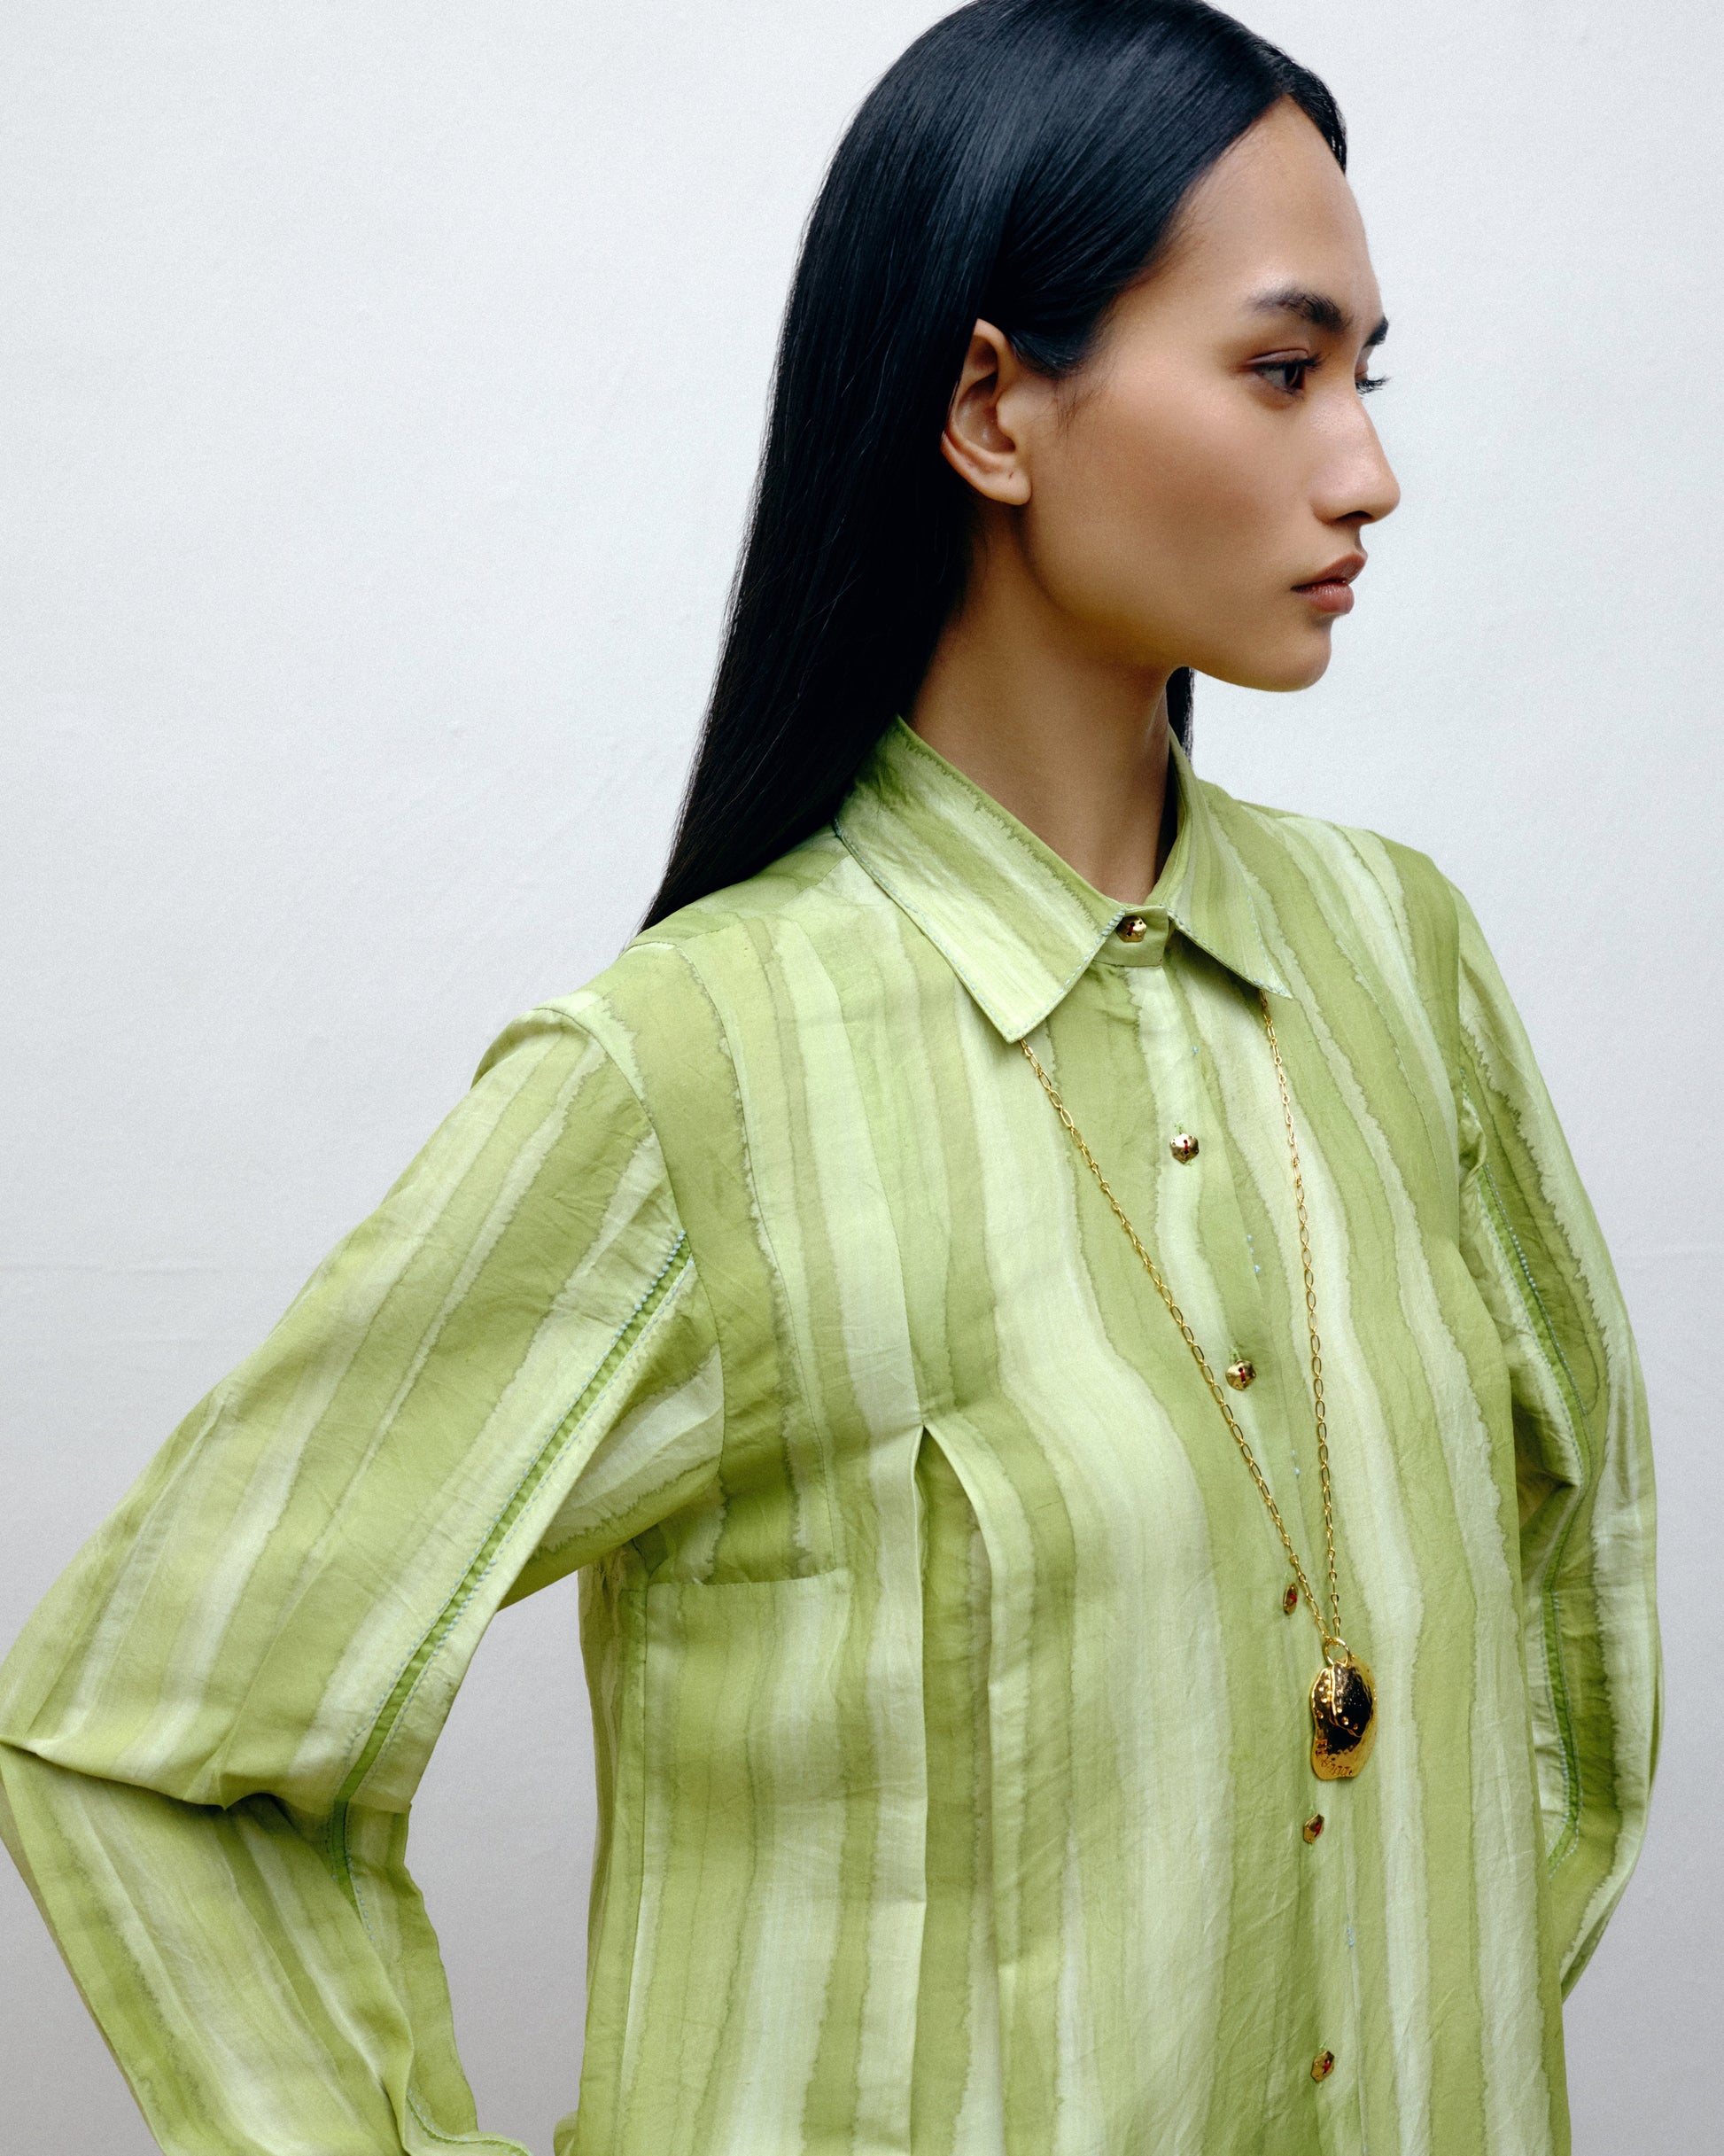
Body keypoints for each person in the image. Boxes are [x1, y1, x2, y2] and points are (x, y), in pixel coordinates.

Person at [0, 3, 1660, 2152]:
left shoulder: (1399, 960)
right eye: (1280, 369)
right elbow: (147, 1736)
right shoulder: (692, 1073)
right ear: (989, 407)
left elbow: (1569, 1583)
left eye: (1368, 377)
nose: (1365, 469)